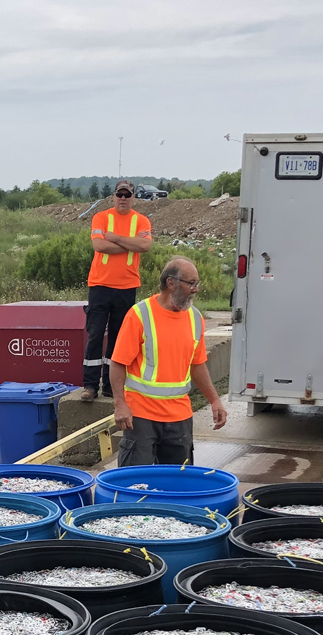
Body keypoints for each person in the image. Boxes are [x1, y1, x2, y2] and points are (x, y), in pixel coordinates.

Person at [109, 257, 228, 465]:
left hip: (179, 418)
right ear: (171, 283)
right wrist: (120, 404)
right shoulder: (140, 315)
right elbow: (118, 363)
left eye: (197, 284)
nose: (196, 289)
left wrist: (214, 400)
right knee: (136, 484)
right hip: (141, 416)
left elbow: (197, 364)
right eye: (191, 283)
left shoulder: (195, 318)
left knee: (178, 486)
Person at [80, 180, 153, 401]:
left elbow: (145, 246)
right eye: (119, 194)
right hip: (100, 285)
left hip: (127, 287)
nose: (123, 198)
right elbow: (99, 246)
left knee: (118, 339)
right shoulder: (101, 217)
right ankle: (90, 386)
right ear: (114, 196)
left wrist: (115, 239)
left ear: (133, 197)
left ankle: (111, 386)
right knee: (94, 336)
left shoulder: (141, 221)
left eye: (127, 194)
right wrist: (129, 243)